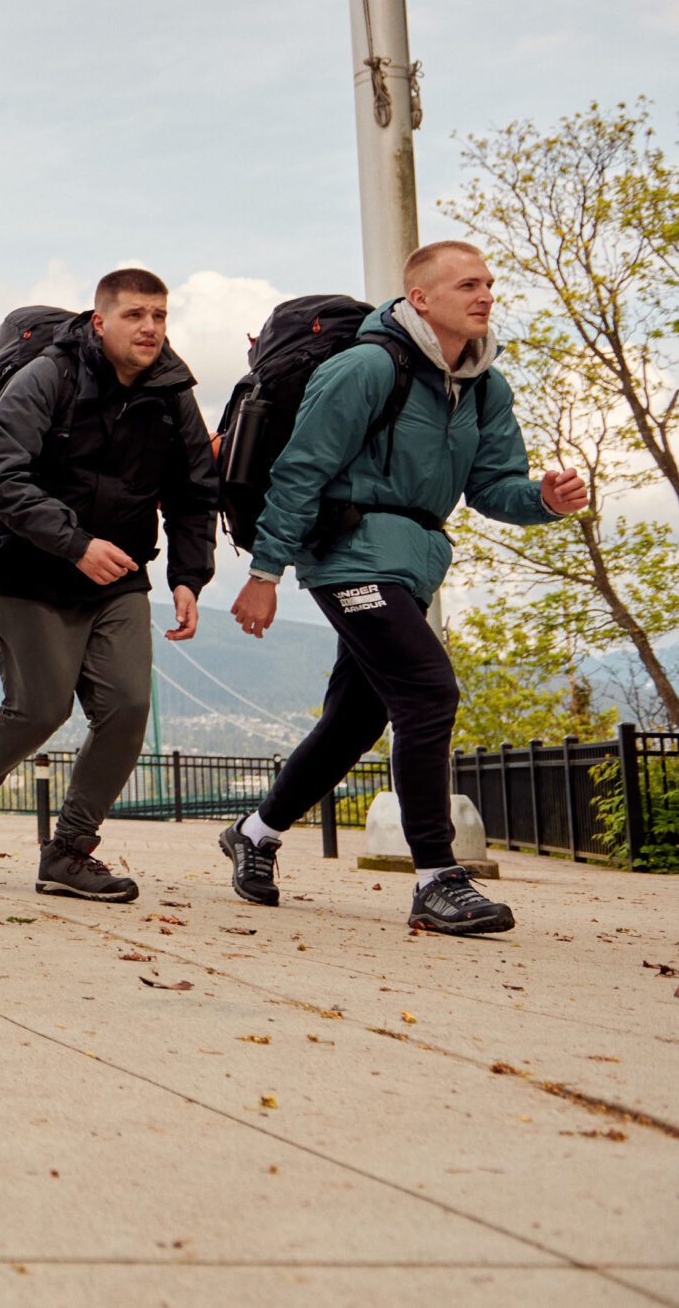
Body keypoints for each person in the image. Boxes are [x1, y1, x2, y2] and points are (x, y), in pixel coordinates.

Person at [222, 242, 587, 935]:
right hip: (348, 556)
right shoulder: (363, 367)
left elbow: (492, 487)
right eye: (467, 284)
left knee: (357, 719)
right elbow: (298, 471)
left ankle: (256, 832)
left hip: (414, 562)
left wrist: (545, 497)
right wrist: (265, 571)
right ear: (419, 297)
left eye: (488, 284)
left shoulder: (485, 386)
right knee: (428, 689)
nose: (484, 295)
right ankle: (436, 878)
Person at [0, 267, 217, 903]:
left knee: (127, 706)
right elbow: (0, 473)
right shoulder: (48, 376)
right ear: (101, 321)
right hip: (28, 565)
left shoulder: (173, 389)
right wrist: (74, 544)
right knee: (41, 707)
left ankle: (69, 850)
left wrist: (188, 575)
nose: (150, 328)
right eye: (134, 315)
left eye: (159, 316)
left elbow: (194, 489)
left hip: (119, 575)